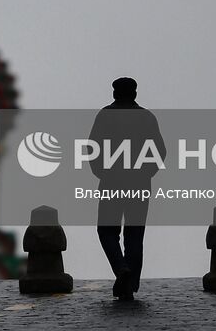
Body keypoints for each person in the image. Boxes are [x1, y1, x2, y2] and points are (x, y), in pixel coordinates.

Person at [87, 77, 165, 301]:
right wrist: (146, 172)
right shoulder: (147, 117)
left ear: (114, 94)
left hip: (111, 180)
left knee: (107, 230)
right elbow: (160, 151)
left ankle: (121, 268)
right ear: (135, 94)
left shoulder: (105, 115)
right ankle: (129, 283)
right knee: (135, 233)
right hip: (140, 182)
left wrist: (101, 171)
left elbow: (92, 148)